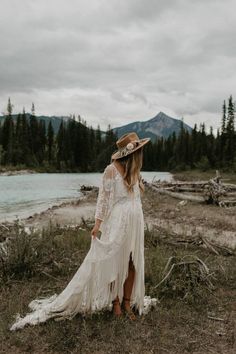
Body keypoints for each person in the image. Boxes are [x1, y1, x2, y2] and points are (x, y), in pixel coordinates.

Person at [9, 132, 154, 331]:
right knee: (113, 262)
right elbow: (102, 200)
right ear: (131, 153)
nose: (141, 154)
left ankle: (128, 302)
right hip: (118, 222)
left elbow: (135, 198)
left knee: (131, 262)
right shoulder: (111, 170)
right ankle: (116, 303)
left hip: (135, 222)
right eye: (138, 151)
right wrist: (97, 225)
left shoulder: (136, 171)